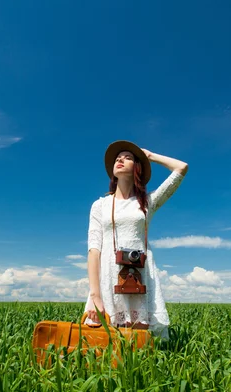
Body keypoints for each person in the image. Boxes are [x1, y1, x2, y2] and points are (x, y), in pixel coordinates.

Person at [83, 140, 188, 339]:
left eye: (128, 157)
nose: (120, 159)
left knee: (140, 341)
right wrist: (95, 295)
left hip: (140, 274)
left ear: (137, 168)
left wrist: (149, 156)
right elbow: (93, 250)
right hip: (108, 274)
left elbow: (181, 168)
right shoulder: (100, 205)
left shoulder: (147, 202)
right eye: (117, 158)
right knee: (104, 340)